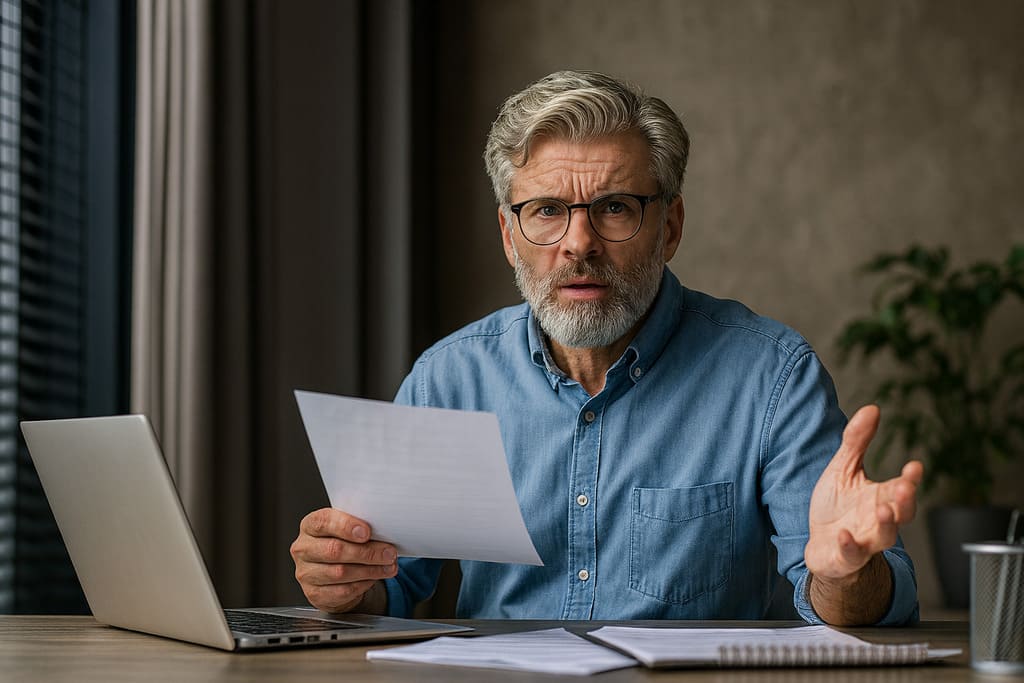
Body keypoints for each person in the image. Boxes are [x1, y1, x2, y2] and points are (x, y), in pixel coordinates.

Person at [290, 70, 923, 626]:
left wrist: (843, 577)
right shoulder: (449, 379)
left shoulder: (771, 377)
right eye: (546, 211)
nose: (579, 243)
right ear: (510, 237)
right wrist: (344, 580)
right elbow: (386, 591)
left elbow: (866, 607)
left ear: (669, 227)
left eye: (615, 208)